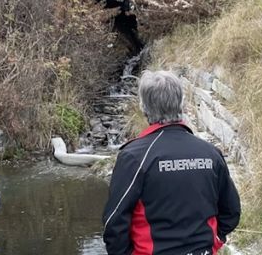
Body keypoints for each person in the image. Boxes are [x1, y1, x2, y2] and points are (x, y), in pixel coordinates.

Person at [102, 70, 241, 255]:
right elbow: (231, 212)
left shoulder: (133, 157)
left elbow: (114, 222)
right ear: (181, 103)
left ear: (144, 107)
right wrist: (214, 242)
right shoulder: (210, 153)